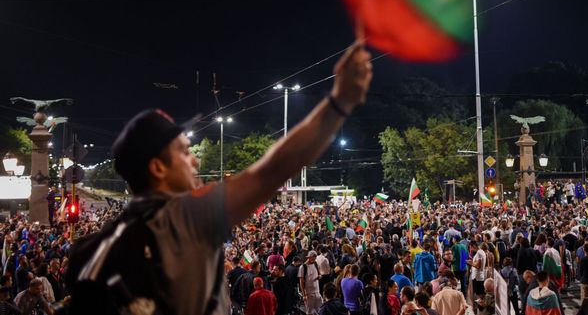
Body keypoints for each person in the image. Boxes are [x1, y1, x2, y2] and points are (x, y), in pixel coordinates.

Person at [66, 41, 372, 315]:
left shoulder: (88, 250)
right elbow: (272, 170)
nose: (195, 159)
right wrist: (339, 102)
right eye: (184, 152)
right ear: (158, 168)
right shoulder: (185, 216)